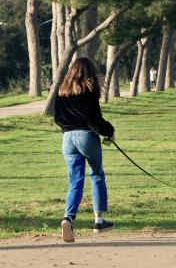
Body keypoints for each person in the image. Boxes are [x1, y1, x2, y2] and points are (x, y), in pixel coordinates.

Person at [53, 58, 116, 243]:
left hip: (67, 139)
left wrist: (68, 128)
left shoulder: (62, 90)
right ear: (89, 72)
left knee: (75, 181)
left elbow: (57, 118)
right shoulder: (89, 89)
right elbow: (94, 119)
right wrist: (109, 132)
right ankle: (99, 221)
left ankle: (68, 218)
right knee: (96, 174)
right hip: (86, 136)